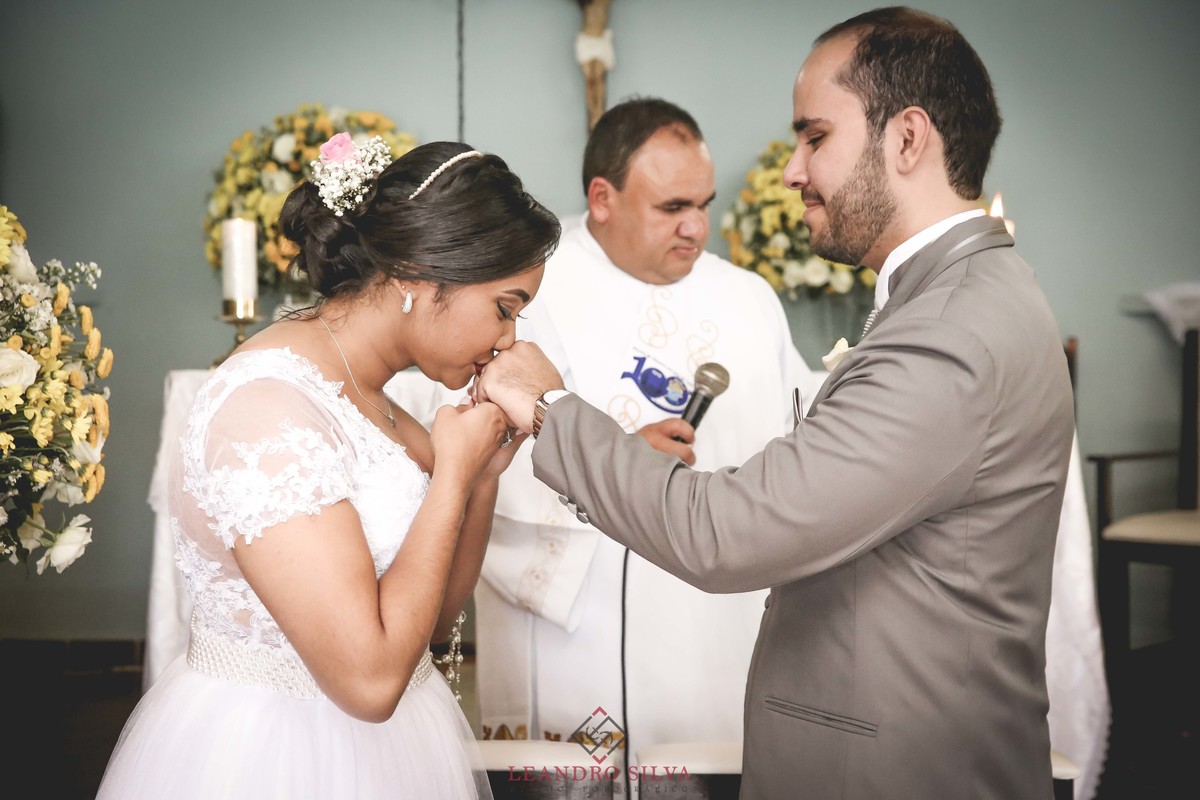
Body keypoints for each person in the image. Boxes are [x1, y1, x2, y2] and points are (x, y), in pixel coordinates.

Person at [477, 8, 1074, 799]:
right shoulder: (964, 298)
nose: (794, 170)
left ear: (907, 139)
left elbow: (733, 531)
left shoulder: (948, 330)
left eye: (815, 137)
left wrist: (547, 405)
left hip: (896, 767)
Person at [97, 134, 560, 799]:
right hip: (272, 755)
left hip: (395, 751)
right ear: (417, 276)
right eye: (504, 307)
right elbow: (369, 683)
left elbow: (427, 623)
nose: (510, 339)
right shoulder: (268, 409)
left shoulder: (378, 399)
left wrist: (481, 476)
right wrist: (451, 473)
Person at [464, 97, 819, 762]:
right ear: (602, 198)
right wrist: (608, 465)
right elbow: (465, 446)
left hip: (715, 617)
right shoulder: (527, 287)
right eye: (671, 208)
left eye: (704, 204)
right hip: (582, 619)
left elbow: (803, 434)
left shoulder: (748, 299)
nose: (696, 228)